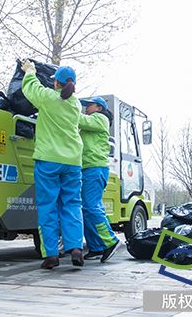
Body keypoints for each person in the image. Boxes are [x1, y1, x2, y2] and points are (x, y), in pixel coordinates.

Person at [21, 59, 85, 269]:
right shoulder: (76, 104)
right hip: (73, 161)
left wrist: (30, 70)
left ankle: (51, 255)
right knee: (72, 204)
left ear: (56, 83)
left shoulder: (49, 98)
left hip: (49, 160)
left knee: (48, 206)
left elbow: (31, 88)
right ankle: (75, 248)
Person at [78, 96, 121, 263]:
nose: (86, 108)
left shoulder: (100, 119)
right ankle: (96, 247)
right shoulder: (92, 120)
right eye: (85, 106)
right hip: (89, 168)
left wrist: (66, 108)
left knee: (91, 206)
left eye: (89, 106)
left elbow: (78, 119)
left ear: (100, 108)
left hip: (94, 169)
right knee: (86, 208)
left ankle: (110, 241)